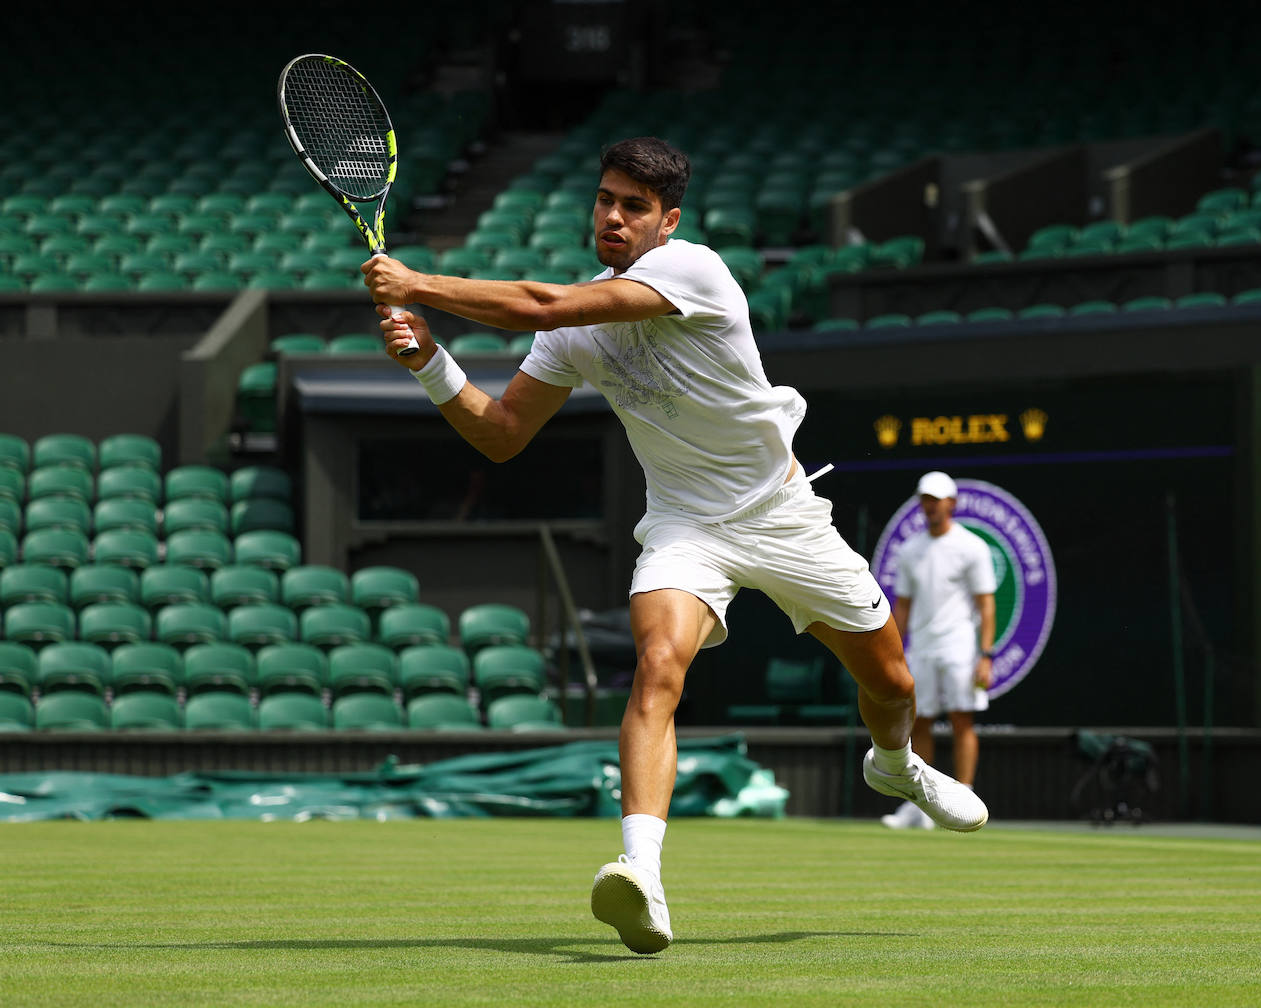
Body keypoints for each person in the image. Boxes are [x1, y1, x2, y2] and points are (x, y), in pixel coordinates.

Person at [361, 137, 987, 955]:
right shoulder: (575, 331)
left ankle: (896, 763)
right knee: (658, 665)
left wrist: (419, 285)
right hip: (686, 528)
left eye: (633, 207)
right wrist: (431, 363)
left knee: (892, 682)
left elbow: (539, 305)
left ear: (668, 222)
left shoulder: (694, 270)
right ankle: (641, 874)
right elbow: (506, 435)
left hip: (783, 514)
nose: (614, 217)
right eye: (605, 201)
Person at [881, 471, 997, 831]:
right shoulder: (910, 550)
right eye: (925, 499)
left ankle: (965, 800)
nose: (929, 506)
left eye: (936, 500)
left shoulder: (971, 547)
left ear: (952, 504)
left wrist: (986, 654)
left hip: (960, 646)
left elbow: (986, 604)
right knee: (919, 723)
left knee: (962, 721)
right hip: (923, 647)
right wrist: (895, 651)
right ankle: (921, 806)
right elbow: (902, 606)